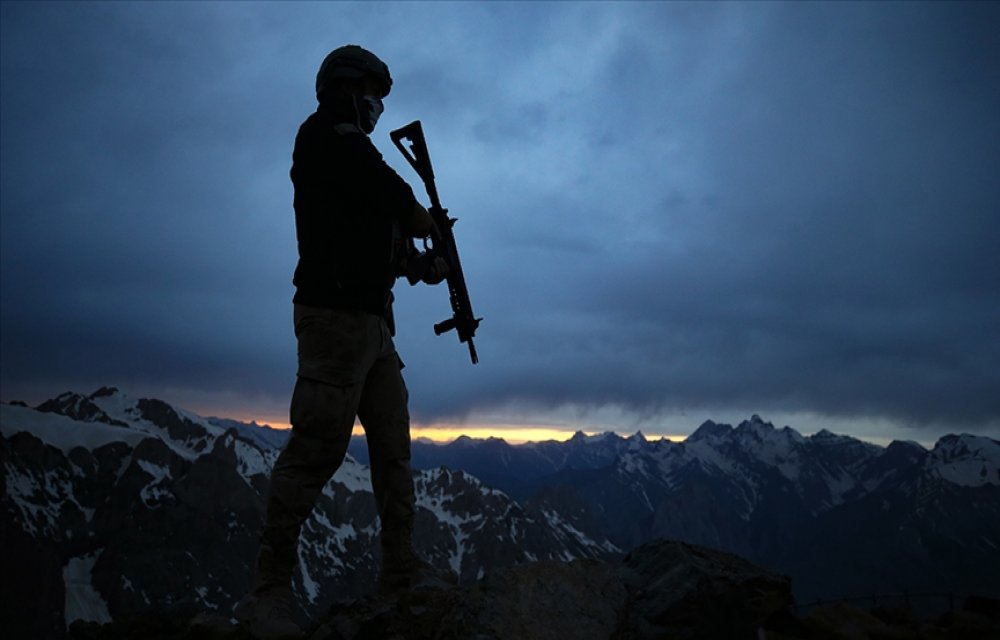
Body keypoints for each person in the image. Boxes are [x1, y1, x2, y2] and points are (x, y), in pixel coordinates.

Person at [235, 44, 450, 639]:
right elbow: (380, 187)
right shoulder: (328, 135)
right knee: (316, 450)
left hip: (374, 324)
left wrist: (419, 264)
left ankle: (400, 568)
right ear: (350, 87)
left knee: (392, 446)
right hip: (333, 323)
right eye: (375, 95)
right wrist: (421, 217)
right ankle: (271, 588)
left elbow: (373, 237)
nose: (380, 107)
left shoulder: (356, 154)